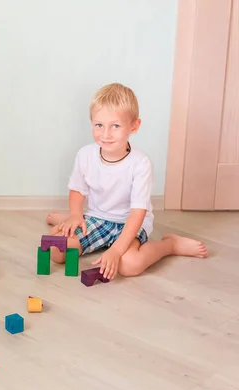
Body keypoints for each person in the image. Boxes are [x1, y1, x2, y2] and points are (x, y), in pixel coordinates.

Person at [46, 83, 208, 280]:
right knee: (56, 250)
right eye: (99, 125)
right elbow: (78, 190)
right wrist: (75, 215)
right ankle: (69, 218)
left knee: (129, 265)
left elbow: (137, 213)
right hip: (97, 218)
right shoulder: (85, 155)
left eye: (115, 126)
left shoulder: (140, 163)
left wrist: (116, 251)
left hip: (129, 223)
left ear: (134, 126)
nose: (105, 134)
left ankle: (170, 245)